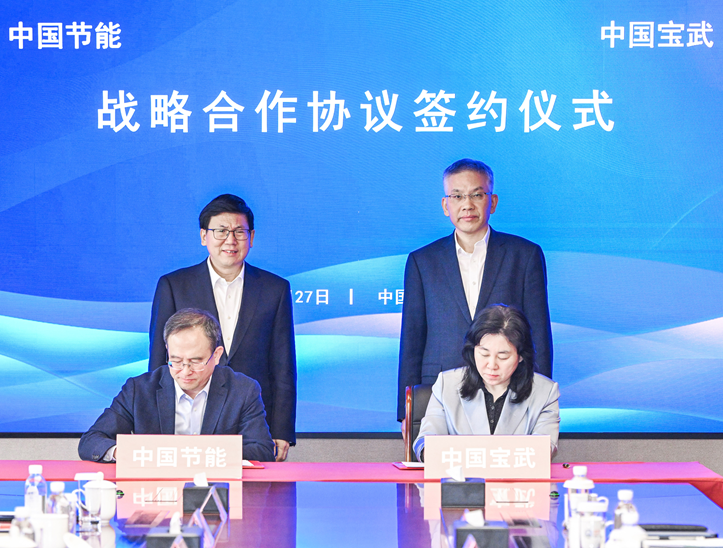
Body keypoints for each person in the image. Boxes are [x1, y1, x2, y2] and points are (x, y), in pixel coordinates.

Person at [398, 158, 552, 422]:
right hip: (440, 395)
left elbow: (538, 336)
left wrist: (541, 403)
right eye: (457, 196)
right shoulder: (422, 261)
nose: (467, 204)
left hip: (510, 393)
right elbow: (412, 340)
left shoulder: (525, 256)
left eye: (476, 195)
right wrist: (407, 413)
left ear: (492, 202)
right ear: (446, 205)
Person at [148, 194, 296, 461]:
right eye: (221, 231)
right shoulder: (174, 285)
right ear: (203, 236)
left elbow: (283, 365)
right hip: (187, 419)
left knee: (253, 489)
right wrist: (155, 426)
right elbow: (159, 359)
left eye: (239, 231)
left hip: (252, 423)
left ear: (251, 237)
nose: (230, 240)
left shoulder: (275, 289)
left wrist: (282, 430)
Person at [79, 309, 276, 462]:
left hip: (218, 490)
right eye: (176, 360)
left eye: (196, 361)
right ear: (167, 351)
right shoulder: (139, 390)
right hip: (153, 492)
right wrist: (123, 453)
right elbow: (91, 441)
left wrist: (194, 453)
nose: (185, 371)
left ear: (216, 355)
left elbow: (262, 449)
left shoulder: (243, 390)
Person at [414, 304, 559, 461]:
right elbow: (425, 441)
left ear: (521, 356)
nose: (491, 365)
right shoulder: (447, 384)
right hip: (459, 476)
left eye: (503, 357)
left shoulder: (545, 392)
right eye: (484, 354)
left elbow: (543, 451)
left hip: (516, 477)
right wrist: (430, 453)